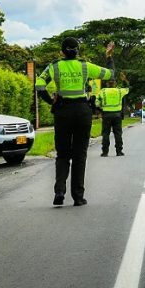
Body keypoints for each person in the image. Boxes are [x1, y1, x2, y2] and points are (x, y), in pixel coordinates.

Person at [35, 38, 115, 206]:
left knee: (62, 153)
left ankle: (59, 191)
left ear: (62, 51)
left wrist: (51, 101)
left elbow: (39, 84)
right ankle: (78, 197)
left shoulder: (54, 66)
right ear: (77, 51)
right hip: (82, 112)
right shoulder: (85, 66)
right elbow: (110, 74)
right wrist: (108, 56)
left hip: (62, 112)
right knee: (80, 155)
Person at [96, 76, 129, 157]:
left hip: (106, 115)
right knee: (118, 133)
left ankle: (105, 152)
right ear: (115, 83)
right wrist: (124, 80)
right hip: (117, 115)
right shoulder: (119, 91)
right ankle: (119, 151)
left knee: (105, 133)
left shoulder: (102, 91)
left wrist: (100, 108)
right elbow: (127, 89)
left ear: (107, 83)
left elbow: (97, 103)